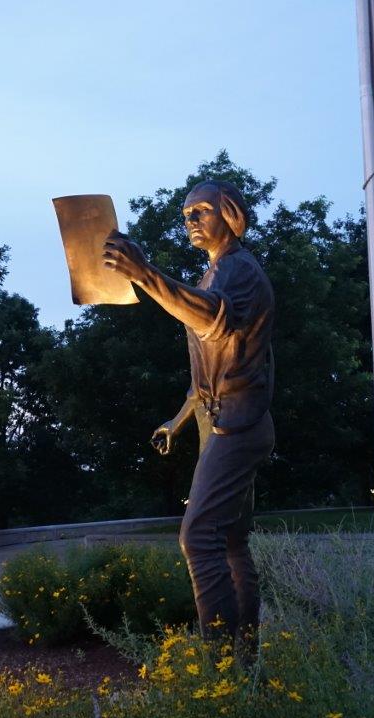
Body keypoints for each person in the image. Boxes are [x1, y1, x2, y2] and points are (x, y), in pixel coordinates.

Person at [102, 180, 275, 648]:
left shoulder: (237, 270)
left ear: (231, 213)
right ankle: (244, 662)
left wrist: (144, 273)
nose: (191, 221)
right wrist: (176, 421)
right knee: (232, 543)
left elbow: (213, 318)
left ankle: (219, 666)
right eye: (186, 215)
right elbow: (211, 368)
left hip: (236, 425)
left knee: (198, 539)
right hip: (228, 419)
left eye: (201, 210)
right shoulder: (215, 273)